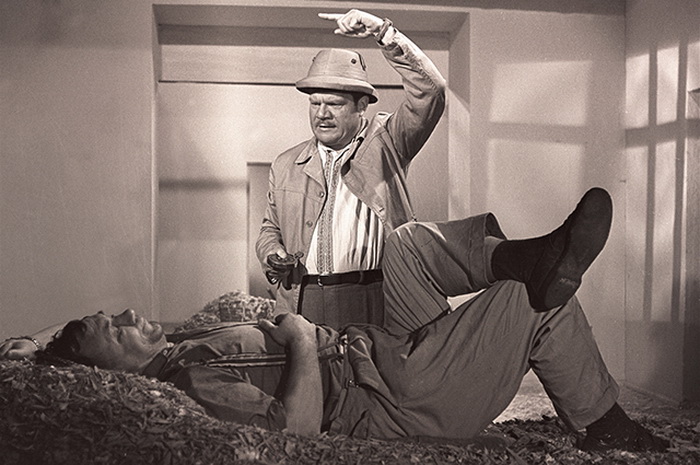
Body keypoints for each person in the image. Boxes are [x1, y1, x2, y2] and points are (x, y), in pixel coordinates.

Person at [0, 188, 669, 452]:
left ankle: (526, 255)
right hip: (395, 396)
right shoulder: (188, 381)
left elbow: (55, 353)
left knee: (401, 245)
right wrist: (296, 334)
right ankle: (606, 421)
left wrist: (34, 346)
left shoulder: (176, 342)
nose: (128, 313)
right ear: (114, 374)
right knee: (533, 303)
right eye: (115, 327)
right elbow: (292, 432)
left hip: (375, 344)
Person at [255, 9, 446, 328]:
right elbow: (269, 228)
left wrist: (384, 32)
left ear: (361, 106)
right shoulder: (286, 163)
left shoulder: (388, 143)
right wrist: (272, 253)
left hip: (373, 297)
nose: (322, 114)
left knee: (372, 364)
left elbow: (431, 91)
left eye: (334, 104)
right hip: (302, 301)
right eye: (315, 103)